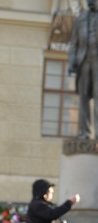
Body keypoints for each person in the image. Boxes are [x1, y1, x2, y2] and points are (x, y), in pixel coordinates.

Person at [67, 0, 98, 139]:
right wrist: (71, 62)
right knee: (83, 97)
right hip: (84, 61)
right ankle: (83, 132)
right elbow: (74, 44)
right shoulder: (80, 19)